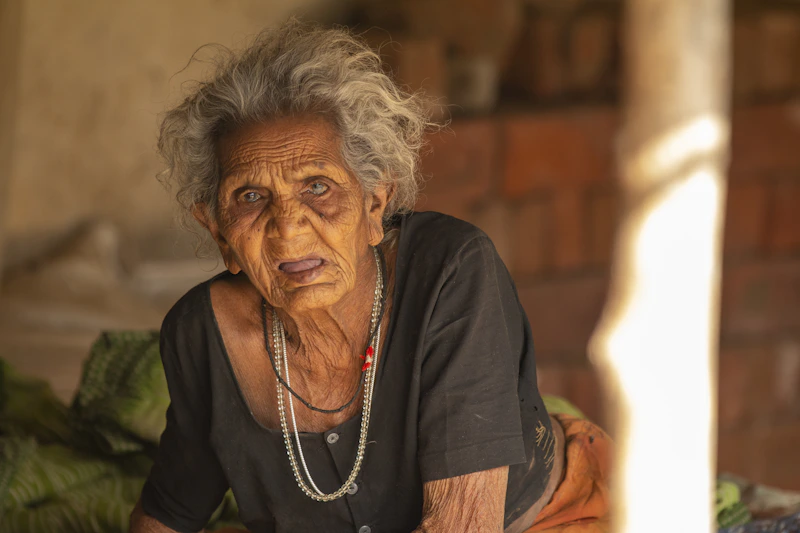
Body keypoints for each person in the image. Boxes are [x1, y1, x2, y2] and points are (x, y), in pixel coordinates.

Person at [130, 20, 611, 533]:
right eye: (250, 197)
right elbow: (169, 511)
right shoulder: (200, 335)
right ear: (221, 233)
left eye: (317, 187)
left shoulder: (451, 273)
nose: (288, 232)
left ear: (375, 204)